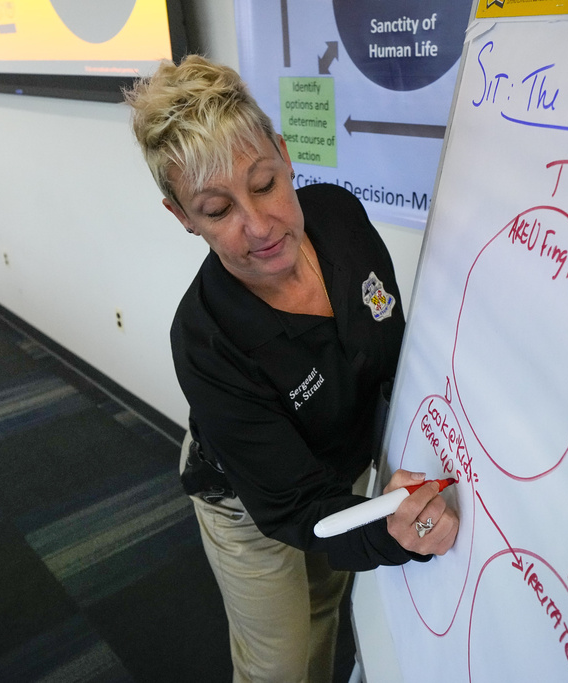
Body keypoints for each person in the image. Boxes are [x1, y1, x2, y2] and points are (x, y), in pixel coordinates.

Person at [125, 55, 459, 683]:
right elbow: (295, 508)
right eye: (218, 210)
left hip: (337, 472)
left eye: (265, 184)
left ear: (284, 155)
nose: (259, 227)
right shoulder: (206, 340)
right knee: (276, 662)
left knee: (325, 608)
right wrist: (388, 531)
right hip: (248, 502)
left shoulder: (338, 216)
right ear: (182, 217)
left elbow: (388, 350)